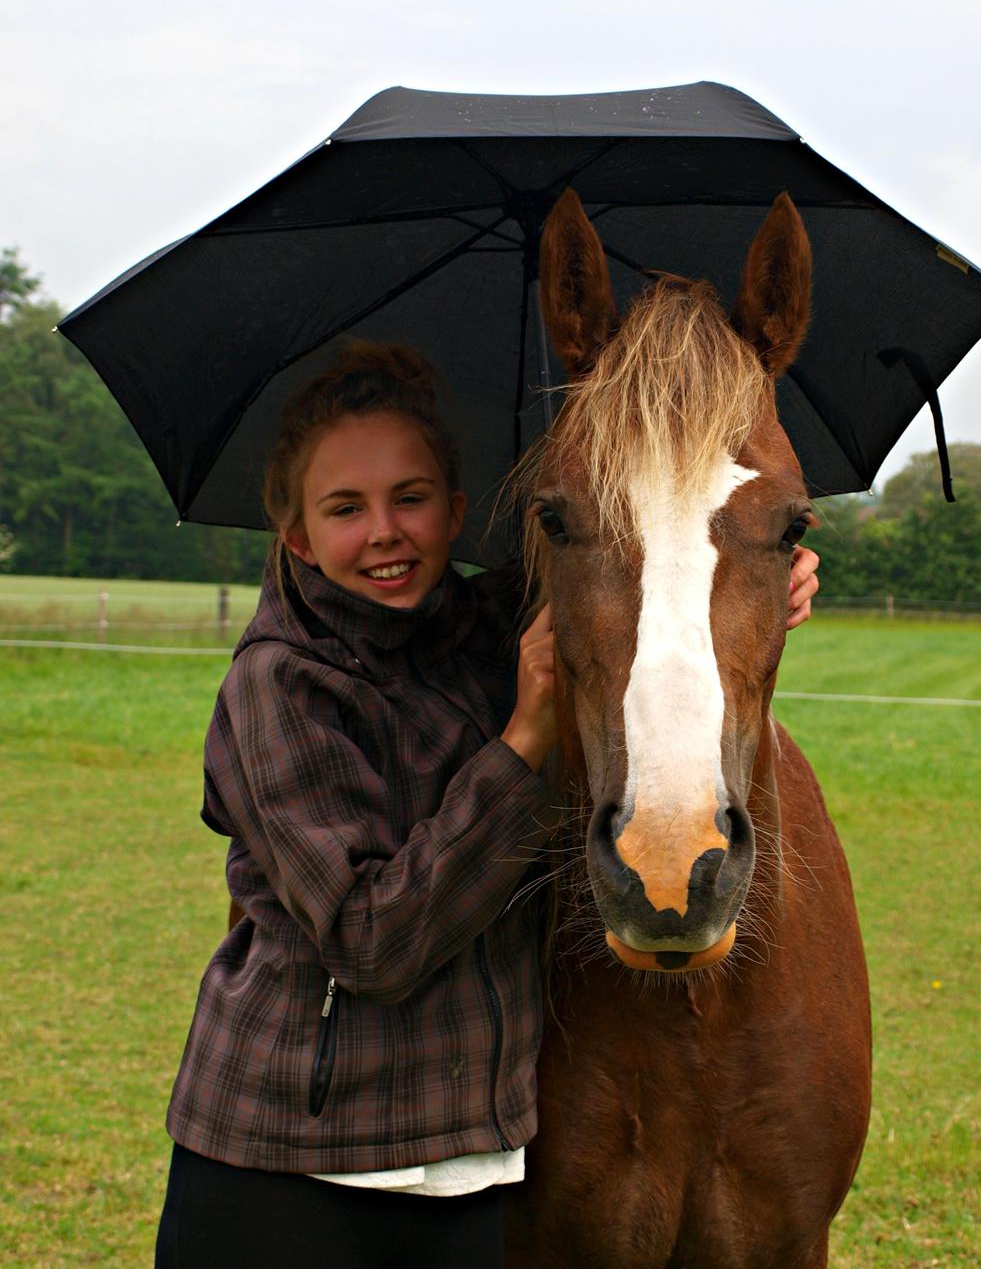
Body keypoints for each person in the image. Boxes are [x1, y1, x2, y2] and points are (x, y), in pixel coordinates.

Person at [155, 342, 820, 1269]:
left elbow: (624, 573)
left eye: (411, 499)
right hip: (291, 1172)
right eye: (345, 508)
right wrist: (522, 747)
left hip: (465, 1170)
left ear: (456, 514)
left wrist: (750, 568)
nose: (385, 531)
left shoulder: (471, 631)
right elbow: (370, 940)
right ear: (297, 537)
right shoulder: (278, 688)